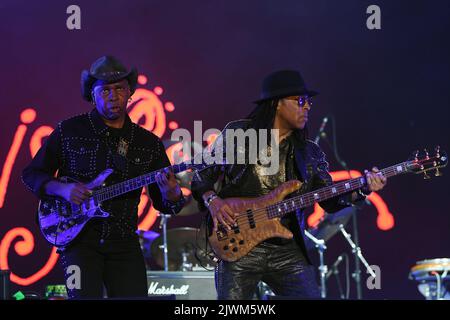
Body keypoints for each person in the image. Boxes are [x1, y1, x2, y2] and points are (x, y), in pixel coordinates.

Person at [191, 69, 387, 299]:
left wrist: (363, 189)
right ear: (276, 104)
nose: (307, 107)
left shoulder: (310, 152)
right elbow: (201, 176)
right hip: (238, 246)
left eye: (309, 102)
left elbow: (330, 201)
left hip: (288, 251)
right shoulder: (239, 133)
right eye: (300, 101)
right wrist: (213, 201)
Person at [22, 56, 185, 299]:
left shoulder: (148, 143)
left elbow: (166, 204)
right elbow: (31, 174)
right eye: (105, 90)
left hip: (125, 243)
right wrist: (62, 189)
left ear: (130, 92)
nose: (113, 95)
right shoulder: (69, 131)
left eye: (119, 88)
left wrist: (172, 193)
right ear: (92, 93)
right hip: (78, 243)